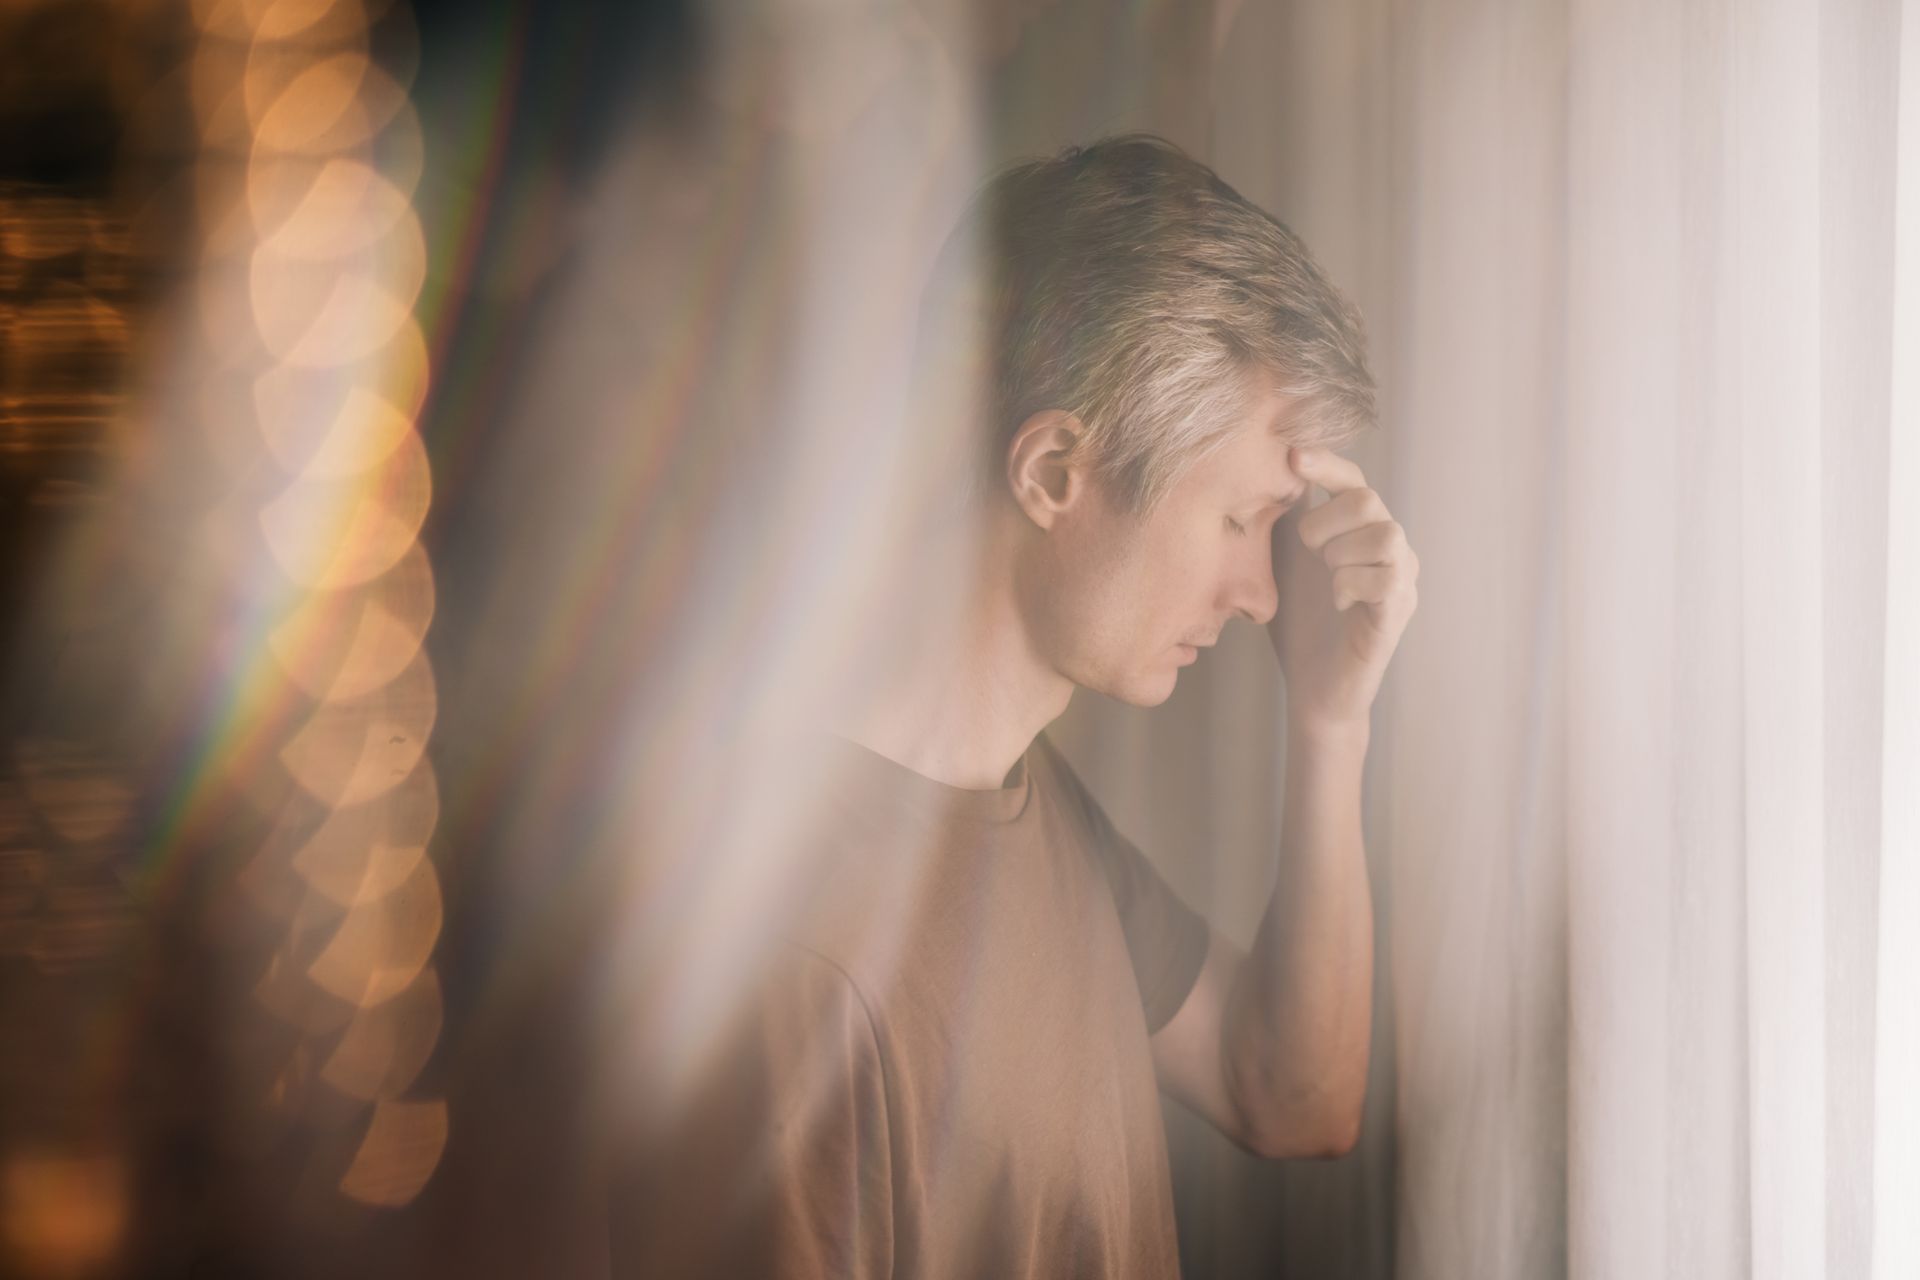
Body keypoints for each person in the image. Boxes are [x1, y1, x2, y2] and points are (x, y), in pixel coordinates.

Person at [608, 134, 1419, 1279]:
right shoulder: (791, 943)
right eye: (1237, 521)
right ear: (1050, 473)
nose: (1258, 595)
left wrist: (1333, 721)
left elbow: (1293, 1093)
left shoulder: (1034, 816)